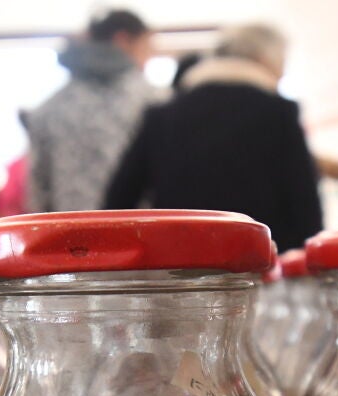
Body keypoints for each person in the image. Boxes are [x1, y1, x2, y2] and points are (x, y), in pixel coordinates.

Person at [104, 24, 324, 251]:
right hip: (257, 259)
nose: (281, 74)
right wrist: (310, 256)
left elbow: (120, 198)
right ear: (264, 60)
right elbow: (304, 200)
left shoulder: (163, 116)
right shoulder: (278, 112)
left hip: (178, 258)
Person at [26, 10, 157, 213]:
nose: (148, 57)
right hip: (141, 228)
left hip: (70, 229)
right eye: (146, 47)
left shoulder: (49, 109)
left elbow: (39, 193)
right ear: (122, 40)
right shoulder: (154, 103)